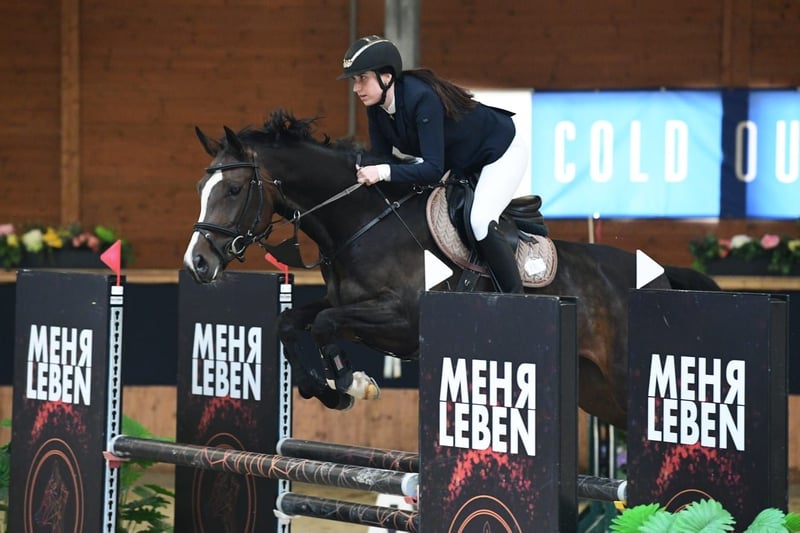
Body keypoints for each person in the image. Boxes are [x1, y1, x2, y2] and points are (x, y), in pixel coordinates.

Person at [339, 35, 528, 293]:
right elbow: (381, 159)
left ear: (386, 77)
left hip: (500, 151)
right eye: (354, 80)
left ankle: (517, 300)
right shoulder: (376, 108)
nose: (356, 88)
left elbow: (431, 170)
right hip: (460, 161)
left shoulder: (421, 98)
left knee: (480, 220)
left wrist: (381, 172)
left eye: (362, 78)